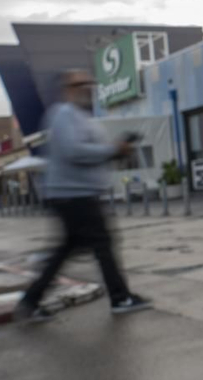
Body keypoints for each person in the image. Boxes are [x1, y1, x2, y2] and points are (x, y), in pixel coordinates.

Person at [15, 70, 149, 320]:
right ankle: (120, 298)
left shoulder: (82, 117)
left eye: (89, 83)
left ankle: (30, 302)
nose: (88, 87)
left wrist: (117, 151)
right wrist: (111, 149)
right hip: (73, 195)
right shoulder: (63, 114)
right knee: (103, 244)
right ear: (67, 88)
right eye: (80, 84)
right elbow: (73, 151)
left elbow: (90, 152)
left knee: (66, 249)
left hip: (78, 194)